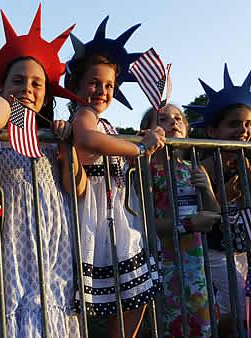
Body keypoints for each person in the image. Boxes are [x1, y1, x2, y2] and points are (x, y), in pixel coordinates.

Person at [0, 5, 83, 337]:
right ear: (2, 86)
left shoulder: (52, 136)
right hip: (11, 229)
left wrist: (67, 147)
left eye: (37, 83)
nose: (27, 88)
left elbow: (76, 188)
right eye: (18, 80)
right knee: (17, 298)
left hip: (55, 231)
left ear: (46, 94)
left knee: (54, 294)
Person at [64, 17, 164, 338]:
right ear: (76, 86)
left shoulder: (102, 123)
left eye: (109, 85)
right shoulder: (84, 116)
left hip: (114, 217)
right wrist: (139, 148)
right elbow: (87, 141)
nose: (103, 90)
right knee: (128, 295)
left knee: (135, 295)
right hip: (96, 220)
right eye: (94, 82)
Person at [184, 64, 251, 337]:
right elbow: (209, 215)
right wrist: (227, 194)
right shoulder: (205, 165)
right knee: (236, 304)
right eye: (234, 124)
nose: (243, 130)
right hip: (215, 249)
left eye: (248, 124)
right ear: (212, 130)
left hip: (243, 245)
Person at [139, 104, 221, 337]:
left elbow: (214, 214)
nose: (173, 123)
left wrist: (206, 189)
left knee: (202, 327)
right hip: (163, 264)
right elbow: (145, 222)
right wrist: (188, 224)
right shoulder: (145, 169)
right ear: (147, 131)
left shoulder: (193, 168)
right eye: (163, 119)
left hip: (195, 266)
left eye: (178, 118)